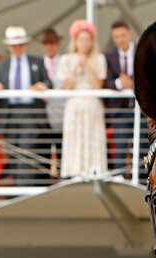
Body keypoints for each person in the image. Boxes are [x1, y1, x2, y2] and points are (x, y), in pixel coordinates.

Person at [0, 26, 53, 184]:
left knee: (26, 154)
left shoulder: (37, 62)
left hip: (30, 113)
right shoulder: (1, 66)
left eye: (20, 44)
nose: (17, 48)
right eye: (14, 45)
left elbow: (48, 82)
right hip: (10, 115)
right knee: (13, 155)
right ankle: (18, 191)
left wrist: (42, 86)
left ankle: (23, 192)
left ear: (25, 45)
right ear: (8, 47)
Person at [57, 19, 107, 178]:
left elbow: (98, 84)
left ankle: (94, 170)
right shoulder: (66, 59)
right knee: (75, 139)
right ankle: (74, 171)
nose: (84, 43)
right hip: (75, 105)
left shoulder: (99, 58)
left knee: (93, 138)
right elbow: (66, 85)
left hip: (92, 104)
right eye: (81, 39)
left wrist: (89, 67)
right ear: (75, 41)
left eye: (87, 39)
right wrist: (75, 67)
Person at [103, 20, 137, 176]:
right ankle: (119, 182)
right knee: (120, 149)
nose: (121, 39)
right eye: (116, 36)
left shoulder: (141, 52)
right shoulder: (109, 56)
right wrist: (119, 83)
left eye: (123, 35)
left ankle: (144, 185)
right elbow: (105, 81)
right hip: (120, 110)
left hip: (140, 109)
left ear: (129, 34)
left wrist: (133, 83)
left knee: (143, 149)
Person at [40, 27, 65, 171]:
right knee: (44, 155)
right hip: (44, 118)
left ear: (58, 44)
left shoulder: (64, 62)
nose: (49, 46)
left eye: (52, 42)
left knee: (63, 154)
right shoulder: (37, 63)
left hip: (61, 116)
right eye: (45, 43)